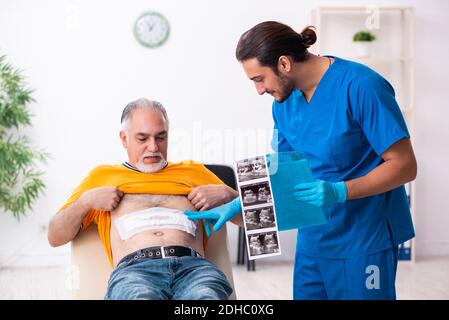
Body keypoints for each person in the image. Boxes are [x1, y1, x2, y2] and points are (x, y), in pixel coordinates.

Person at [185, 21, 417, 300]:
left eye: (259, 79)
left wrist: (340, 190)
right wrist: (241, 203)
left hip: (364, 238)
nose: (259, 90)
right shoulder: (283, 104)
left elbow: (405, 166)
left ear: (284, 63)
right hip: (313, 240)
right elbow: (284, 172)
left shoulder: (362, 86)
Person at [48, 98, 240, 300]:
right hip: (134, 273)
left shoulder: (194, 171)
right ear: (124, 139)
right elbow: (54, 237)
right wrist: (85, 201)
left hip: (195, 271)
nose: (153, 147)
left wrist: (229, 196)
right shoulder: (101, 177)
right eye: (142, 139)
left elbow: (259, 220)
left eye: (161, 137)